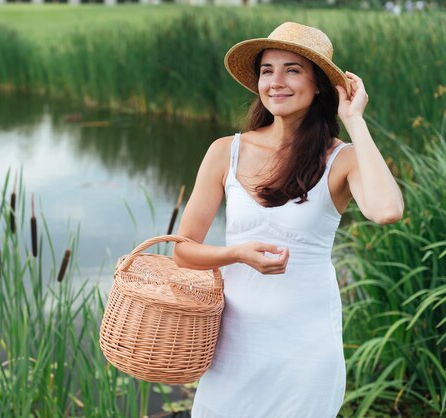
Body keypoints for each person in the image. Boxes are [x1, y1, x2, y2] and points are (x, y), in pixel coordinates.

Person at [173, 22, 404, 418]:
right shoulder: (224, 151)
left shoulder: (341, 159)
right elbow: (183, 251)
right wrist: (237, 254)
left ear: (318, 86)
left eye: (293, 70)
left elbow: (387, 210)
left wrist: (355, 120)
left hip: (305, 352)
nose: (276, 82)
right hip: (233, 346)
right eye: (267, 70)